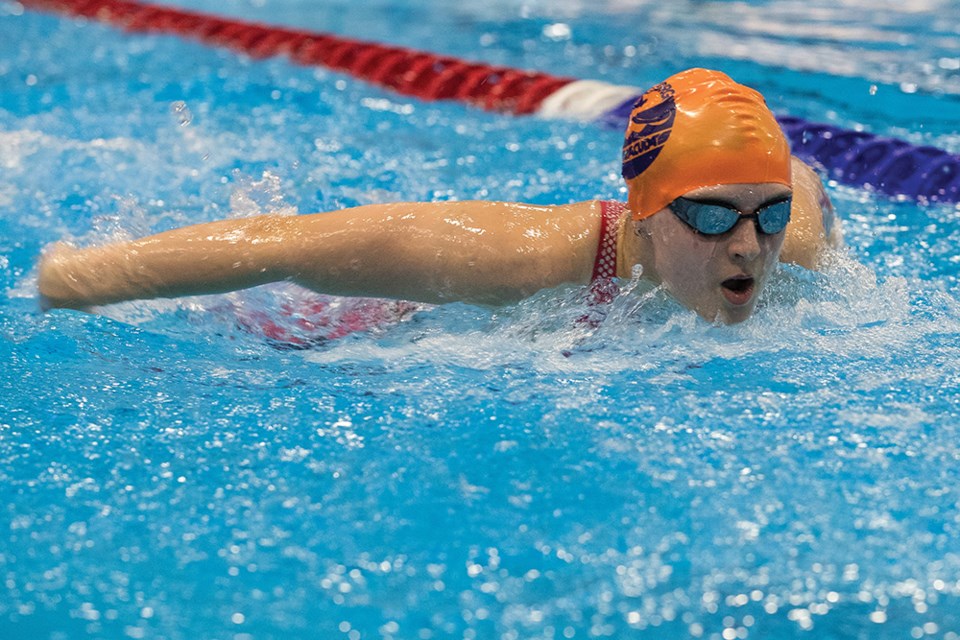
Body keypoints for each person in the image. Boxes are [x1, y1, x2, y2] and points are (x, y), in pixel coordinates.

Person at [37, 68, 842, 327]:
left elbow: (801, 183)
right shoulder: (509, 256)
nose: (748, 246)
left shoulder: (792, 236)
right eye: (709, 214)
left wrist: (785, 199)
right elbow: (278, 244)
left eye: (764, 213)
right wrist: (73, 280)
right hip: (379, 324)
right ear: (643, 209)